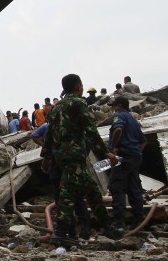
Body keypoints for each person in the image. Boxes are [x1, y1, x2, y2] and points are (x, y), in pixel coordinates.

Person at [41, 74, 122, 245]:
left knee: (91, 190)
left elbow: (49, 134)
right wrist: (106, 153)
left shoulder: (55, 108)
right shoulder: (79, 103)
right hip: (74, 155)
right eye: (82, 85)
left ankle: (107, 226)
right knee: (67, 193)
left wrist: (47, 156)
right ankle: (61, 232)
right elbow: (91, 130)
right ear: (78, 87)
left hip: (61, 156)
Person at [35, 123, 91, 239]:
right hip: (75, 170)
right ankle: (82, 231)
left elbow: (47, 147)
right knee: (78, 199)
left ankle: (67, 233)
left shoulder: (51, 127)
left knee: (62, 200)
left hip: (60, 169)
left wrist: (47, 160)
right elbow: (89, 142)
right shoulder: (76, 126)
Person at [107, 96, 146, 229]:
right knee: (134, 188)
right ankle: (139, 220)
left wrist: (113, 148)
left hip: (123, 157)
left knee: (117, 187)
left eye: (114, 106)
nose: (112, 108)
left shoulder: (119, 116)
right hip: (135, 157)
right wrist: (135, 152)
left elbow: (118, 130)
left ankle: (118, 222)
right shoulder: (134, 120)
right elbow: (143, 141)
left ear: (119, 106)